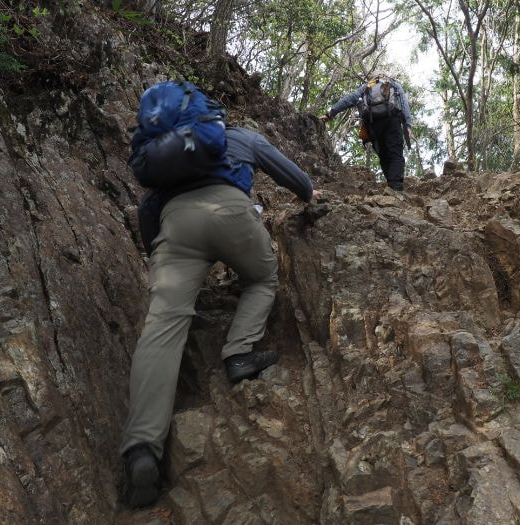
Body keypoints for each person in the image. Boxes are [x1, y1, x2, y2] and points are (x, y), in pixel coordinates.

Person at [120, 124, 319, 507]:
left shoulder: (170, 156)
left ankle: (143, 448)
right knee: (262, 278)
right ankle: (239, 352)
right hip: (232, 214)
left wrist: (158, 256)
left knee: (161, 326)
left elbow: (148, 210)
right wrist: (308, 192)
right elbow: (286, 171)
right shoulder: (239, 136)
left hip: (176, 226)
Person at [320, 72, 412, 191]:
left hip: (373, 124)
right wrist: (408, 125)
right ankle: (396, 188)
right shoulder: (394, 84)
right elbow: (404, 104)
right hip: (392, 120)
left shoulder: (367, 86)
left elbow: (349, 99)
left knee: (383, 155)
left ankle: (391, 186)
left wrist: (330, 114)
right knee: (395, 154)